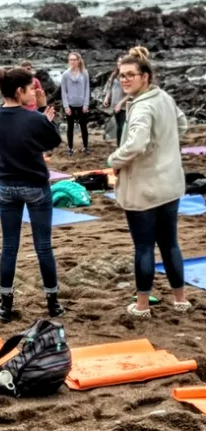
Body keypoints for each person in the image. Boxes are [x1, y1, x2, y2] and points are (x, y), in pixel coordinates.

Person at [107, 47, 190, 318]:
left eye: (131, 75)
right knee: (170, 244)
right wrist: (164, 148)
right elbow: (183, 126)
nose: (125, 80)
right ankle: (181, 300)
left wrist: (114, 160)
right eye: (121, 76)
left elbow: (137, 144)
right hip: (170, 185)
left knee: (144, 247)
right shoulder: (164, 97)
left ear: (145, 76)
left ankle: (142, 306)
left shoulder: (142, 106)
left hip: (144, 189)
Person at [0, 68, 65, 323]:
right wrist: (43, 113)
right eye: (31, 89)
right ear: (19, 91)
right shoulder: (34, 118)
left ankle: (5, 304)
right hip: (35, 186)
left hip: (7, 186)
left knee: (9, 246)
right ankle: (53, 303)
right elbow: (53, 141)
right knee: (43, 246)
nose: (35, 92)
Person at [61, 52, 90, 156]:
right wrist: (66, 106)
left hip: (82, 104)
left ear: (78, 61)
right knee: (70, 127)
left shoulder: (84, 73)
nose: (72, 62)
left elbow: (87, 89)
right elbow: (63, 92)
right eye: (71, 60)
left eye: (74, 59)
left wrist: (86, 104)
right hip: (70, 105)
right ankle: (70, 148)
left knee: (83, 127)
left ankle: (86, 147)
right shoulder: (65, 74)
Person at [103, 57, 129, 146]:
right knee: (119, 127)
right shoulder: (114, 74)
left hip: (125, 106)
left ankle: (123, 146)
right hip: (115, 104)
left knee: (123, 127)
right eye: (118, 62)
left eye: (121, 62)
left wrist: (121, 103)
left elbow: (131, 93)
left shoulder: (128, 75)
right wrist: (107, 98)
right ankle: (119, 146)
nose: (119, 63)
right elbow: (109, 87)